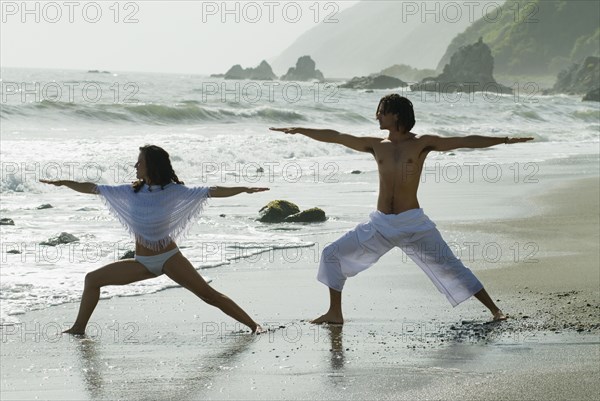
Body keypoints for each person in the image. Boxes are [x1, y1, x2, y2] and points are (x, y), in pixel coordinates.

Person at [270, 94, 533, 324]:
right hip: (381, 224)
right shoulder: (376, 145)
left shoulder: (421, 143)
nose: (377, 116)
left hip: (414, 224)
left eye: (382, 111)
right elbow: (337, 137)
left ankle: (495, 311)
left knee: (453, 267)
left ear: (396, 115)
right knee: (331, 254)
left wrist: (505, 139)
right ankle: (334, 313)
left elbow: (464, 140)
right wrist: (300, 129)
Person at [41, 145, 268, 334]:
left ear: (151, 165)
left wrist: (244, 189)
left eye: (139, 162)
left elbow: (212, 191)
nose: (135, 166)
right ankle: (78, 328)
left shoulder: (174, 191)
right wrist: (64, 182)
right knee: (92, 279)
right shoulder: (131, 192)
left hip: (169, 258)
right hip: (142, 262)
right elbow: (93, 188)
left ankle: (253, 325)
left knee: (209, 296)